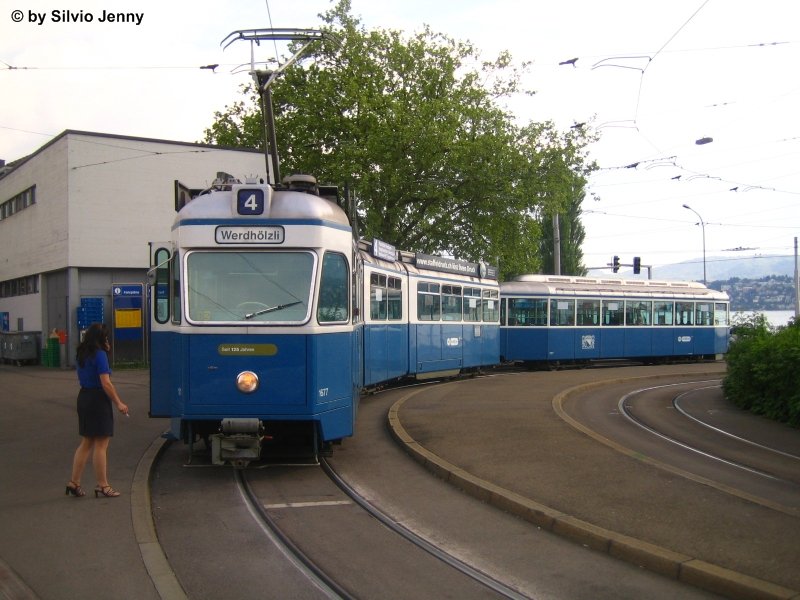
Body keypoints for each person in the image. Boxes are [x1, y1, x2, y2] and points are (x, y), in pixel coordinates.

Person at [65, 323, 129, 498]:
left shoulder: (82, 353)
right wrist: (119, 403)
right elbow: (106, 383)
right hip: (98, 400)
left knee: (86, 442)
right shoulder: (99, 355)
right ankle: (103, 485)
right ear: (101, 338)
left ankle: (74, 482)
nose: (107, 340)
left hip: (84, 397)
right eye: (106, 337)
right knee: (101, 444)